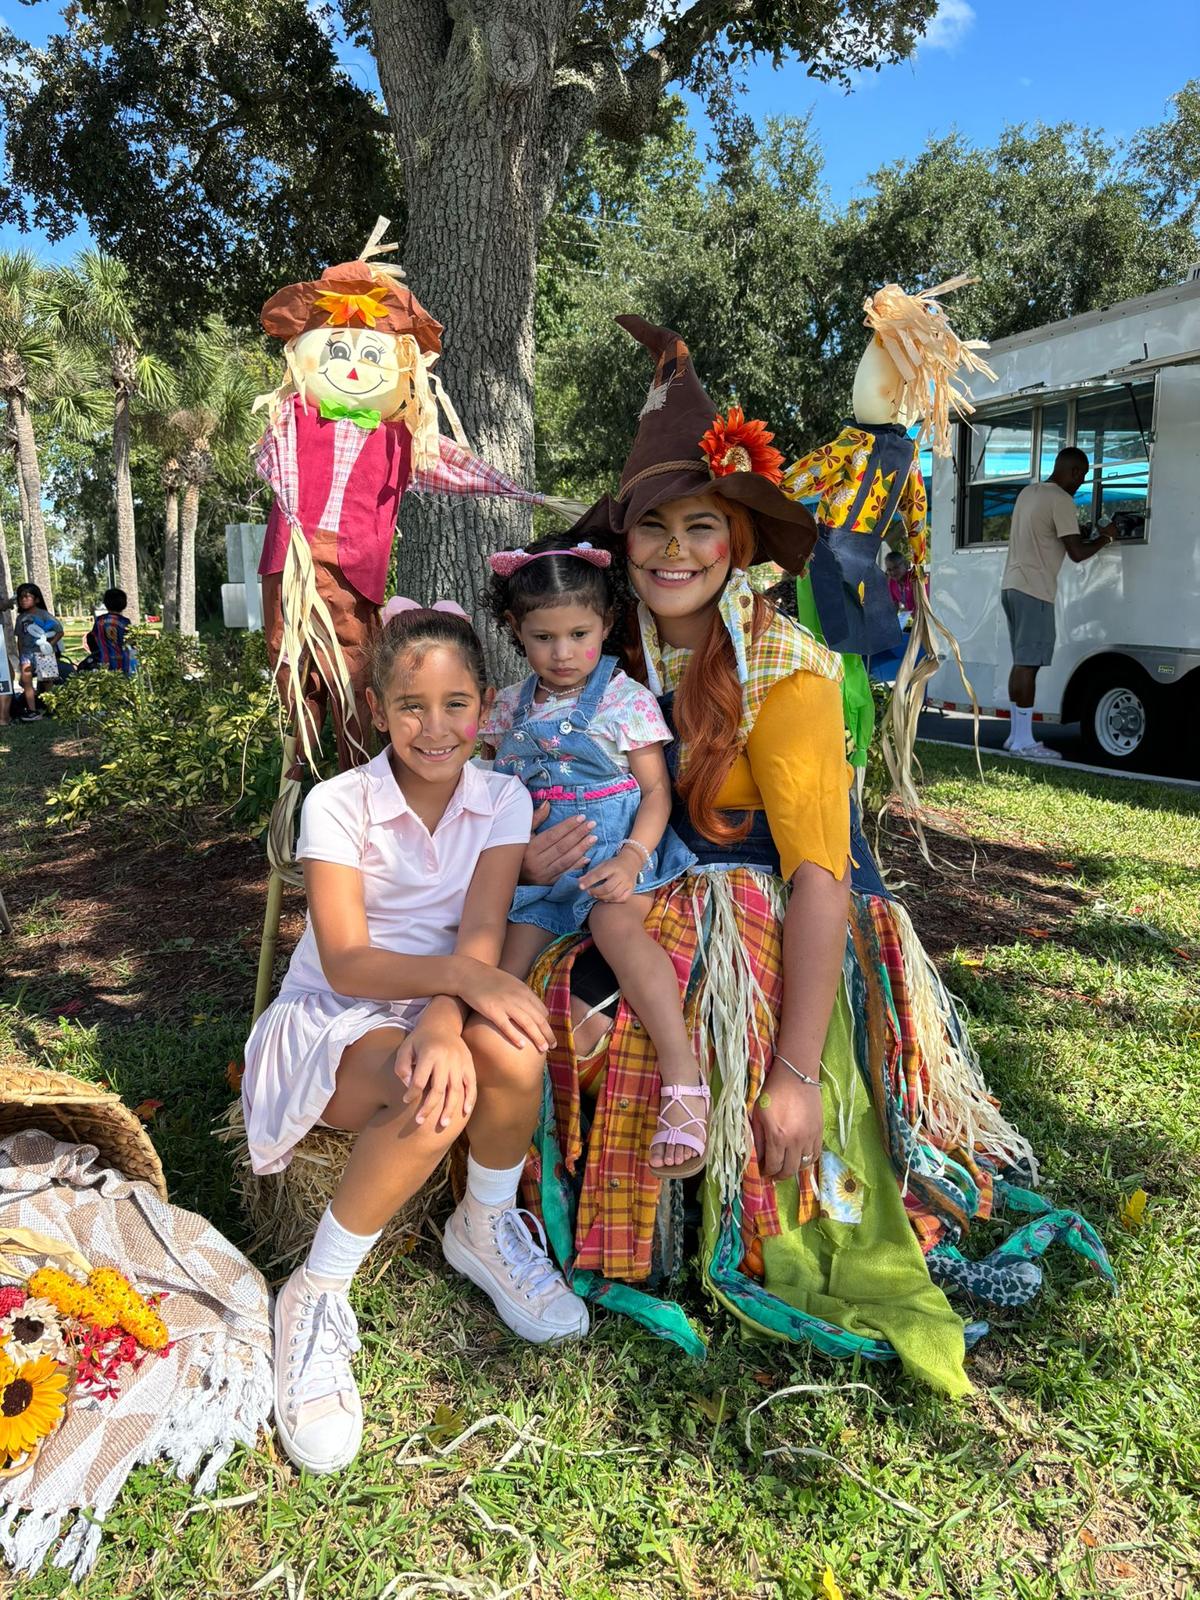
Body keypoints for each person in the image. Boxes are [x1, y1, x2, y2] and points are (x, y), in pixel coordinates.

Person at [486, 315, 1113, 1395]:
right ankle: (513, 1213)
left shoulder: (790, 667)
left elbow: (822, 874)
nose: (674, 550)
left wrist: (790, 1076)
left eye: (700, 526)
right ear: (620, 543)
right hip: (615, 902)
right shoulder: (600, 654)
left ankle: (694, 1204)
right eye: (652, 529)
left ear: (739, 541)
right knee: (540, 1002)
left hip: (776, 927)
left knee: (648, 1024)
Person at [241, 600, 586, 1476]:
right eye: (411, 706)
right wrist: (462, 988)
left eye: (458, 704)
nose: (436, 728)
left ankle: (485, 1223)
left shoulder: (502, 797)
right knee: (435, 1090)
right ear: (380, 708)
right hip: (333, 1014)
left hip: (434, 999)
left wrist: (450, 1009)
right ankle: (314, 1294)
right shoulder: (338, 802)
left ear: (485, 705)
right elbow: (350, 960)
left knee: (511, 1049)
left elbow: (477, 935)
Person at [482, 535, 703, 1176]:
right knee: (504, 969)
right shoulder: (507, 709)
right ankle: (513, 1114)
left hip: (616, 858)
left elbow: (657, 791)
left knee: (614, 923)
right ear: (515, 633)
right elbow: (493, 789)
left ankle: (682, 1076)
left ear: (607, 625)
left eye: (580, 634)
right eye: (543, 638)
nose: (563, 653)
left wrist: (634, 859)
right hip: (542, 877)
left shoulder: (621, 699)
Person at [1001, 447, 1114, 760]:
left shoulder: (1029, 493)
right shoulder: (1062, 500)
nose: (1081, 484)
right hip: (1035, 590)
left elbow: (1049, 537)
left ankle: (1016, 736)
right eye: (1082, 476)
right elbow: (1076, 552)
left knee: (1021, 662)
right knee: (1029, 664)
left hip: (1011, 586)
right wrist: (1106, 538)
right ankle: (1024, 742)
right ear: (1074, 471)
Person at [1, 583, 63, 720]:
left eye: (27, 597)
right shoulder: (20, 618)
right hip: (27, 655)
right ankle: (32, 710)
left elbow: (59, 631)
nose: (23, 600)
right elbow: (20, 639)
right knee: (27, 682)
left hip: (44, 654)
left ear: (37, 599)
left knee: (47, 681)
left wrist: (50, 645)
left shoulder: (44, 615)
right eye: (21, 598)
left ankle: (51, 708)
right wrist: (20, 654)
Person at [85, 588, 135, 675]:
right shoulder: (125, 621)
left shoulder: (99, 620)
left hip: (103, 659)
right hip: (122, 660)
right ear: (124, 604)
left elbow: (92, 637)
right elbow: (130, 641)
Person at [885, 548, 917, 620]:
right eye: (889, 570)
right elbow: (894, 606)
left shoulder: (913, 579)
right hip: (915, 619)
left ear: (905, 564)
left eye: (896, 567)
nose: (893, 572)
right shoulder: (892, 583)